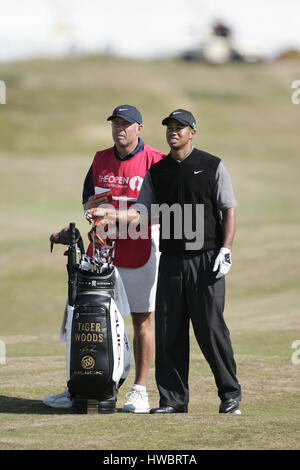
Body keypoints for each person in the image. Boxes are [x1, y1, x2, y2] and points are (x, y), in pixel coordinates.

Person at [86, 109, 242, 414]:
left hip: (205, 259)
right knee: (170, 331)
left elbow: (229, 209)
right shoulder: (158, 171)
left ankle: (230, 394)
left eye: (179, 127)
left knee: (210, 329)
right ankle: (173, 400)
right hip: (170, 259)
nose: (173, 132)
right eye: (170, 127)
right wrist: (112, 214)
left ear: (192, 133)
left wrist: (226, 249)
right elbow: (142, 212)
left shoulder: (211, 166)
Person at [43, 105, 164, 413]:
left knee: (141, 320)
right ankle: (80, 387)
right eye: (115, 123)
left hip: (141, 251)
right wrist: (90, 206)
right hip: (102, 250)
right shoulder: (100, 159)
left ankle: (139, 391)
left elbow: (157, 210)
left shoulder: (155, 160)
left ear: (139, 128)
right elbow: (87, 199)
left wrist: (112, 213)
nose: (118, 128)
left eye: (125, 123)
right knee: (86, 319)